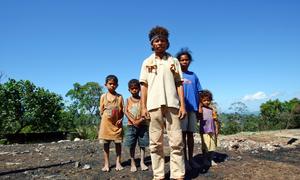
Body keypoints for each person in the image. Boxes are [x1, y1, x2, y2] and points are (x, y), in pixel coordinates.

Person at [139, 26, 186, 180]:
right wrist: (143, 106)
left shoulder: (173, 62)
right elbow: (144, 85)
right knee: (155, 143)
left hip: (173, 105)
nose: (160, 43)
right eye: (157, 41)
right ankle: (158, 175)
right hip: (153, 106)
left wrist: (183, 106)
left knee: (176, 142)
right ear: (152, 44)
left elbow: (179, 83)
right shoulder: (147, 62)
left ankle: (178, 174)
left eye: (163, 40)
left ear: (167, 43)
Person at [176, 48, 202, 170]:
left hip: (193, 109)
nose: (184, 62)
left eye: (186, 60)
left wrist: (200, 108)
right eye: (182, 60)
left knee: (191, 135)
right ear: (178, 62)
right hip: (181, 110)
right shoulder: (176, 75)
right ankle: (184, 160)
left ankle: (191, 159)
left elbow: (199, 92)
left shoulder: (193, 76)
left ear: (190, 61)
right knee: (182, 135)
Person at [98, 75, 124, 172]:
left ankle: (118, 162)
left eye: (114, 84)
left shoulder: (119, 97)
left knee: (118, 144)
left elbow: (122, 111)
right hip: (106, 125)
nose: (112, 85)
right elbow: (101, 111)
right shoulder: (103, 97)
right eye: (110, 84)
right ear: (105, 85)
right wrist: (107, 117)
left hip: (116, 125)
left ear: (117, 85)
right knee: (106, 144)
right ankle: (106, 164)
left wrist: (121, 119)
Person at [124, 79, 149, 172]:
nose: (134, 90)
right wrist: (133, 121)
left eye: (136, 88)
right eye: (132, 88)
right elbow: (125, 111)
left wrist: (141, 120)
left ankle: (142, 162)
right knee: (132, 145)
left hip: (142, 125)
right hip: (131, 126)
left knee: (143, 144)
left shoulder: (143, 100)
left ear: (139, 89)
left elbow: (146, 111)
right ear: (129, 90)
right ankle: (133, 162)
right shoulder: (127, 100)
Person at [198, 89, 220, 166]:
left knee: (213, 146)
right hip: (204, 131)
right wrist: (200, 106)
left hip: (212, 130)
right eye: (204, 100)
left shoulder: (212, 110)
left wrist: (217, 129)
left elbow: (216, 120)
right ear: (201, 101)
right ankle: (205, 159)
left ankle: (210, 159)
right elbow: (199, 116)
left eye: (208, 100)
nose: (207, 102)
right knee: (206, 146)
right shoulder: (201, 110)